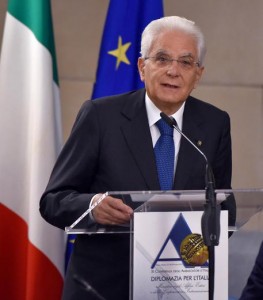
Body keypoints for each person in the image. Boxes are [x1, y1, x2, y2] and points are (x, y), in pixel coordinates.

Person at [39, 16, 236, 300]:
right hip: (103, 287)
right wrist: (92, 207)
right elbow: (53, 200)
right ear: (142, 67)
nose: (173, 71)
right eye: (163, 58)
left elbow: (223, 205)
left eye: (185, 62)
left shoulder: (215, 124)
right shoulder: (100, 117)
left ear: (198, 75)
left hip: (180, 286)